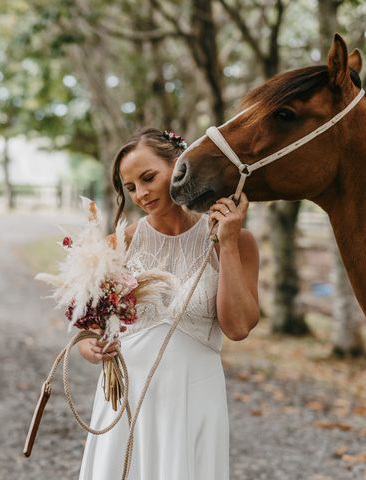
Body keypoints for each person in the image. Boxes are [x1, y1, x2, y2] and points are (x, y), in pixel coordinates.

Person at [77, 128, 260, 479]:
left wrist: (230, 243)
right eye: (130, 188)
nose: (141, 194)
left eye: (149, 178)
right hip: (127, 397)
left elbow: (237, 327)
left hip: (195, 395)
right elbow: (89, 329)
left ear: (179, 166)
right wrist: (90, 346)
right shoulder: (119, 244)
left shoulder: (236, 240)